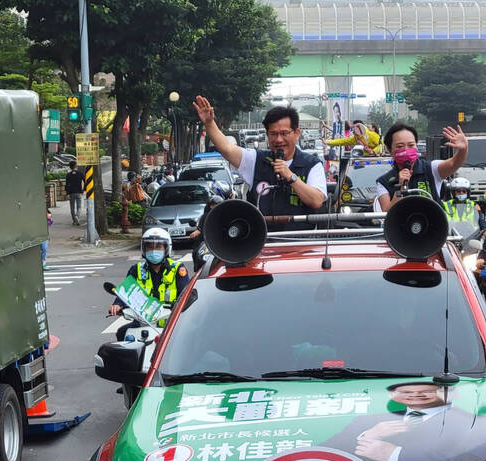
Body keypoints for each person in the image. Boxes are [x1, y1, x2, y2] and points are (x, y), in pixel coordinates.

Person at [323, 382, 486, 461]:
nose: (415, 392)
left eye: (427, 389)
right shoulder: (368, 422)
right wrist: (367, 435)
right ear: (392, 394)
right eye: (407, 389)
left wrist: (396, 455)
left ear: (452, 393)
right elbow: (323, 452)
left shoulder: (474, 422)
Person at [193, 97, 326, 231]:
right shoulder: (256, 160)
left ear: (297, 133)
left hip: (302, 243)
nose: (279, 139)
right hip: (262, 243)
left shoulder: (312, 164)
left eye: (284, 133)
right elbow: (227, 148)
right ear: (267, 135)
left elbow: (316, 201)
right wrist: (209, 123)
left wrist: (291, 176)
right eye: (273, 134)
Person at [108, 228, 190, 340]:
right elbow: (125, 292)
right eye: (150, 247)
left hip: (170, 324)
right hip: (144, 323)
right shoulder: (136, 270)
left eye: (158, 247)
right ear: (144, 249)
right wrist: (117, 304)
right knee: (122, 333)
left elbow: (186, 295)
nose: (154, 250)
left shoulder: (177, 269)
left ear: (166, 248)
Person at [376, 122, 468, 211]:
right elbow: (387, 213)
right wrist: (401, 188)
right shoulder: (383, 182)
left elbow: (454, 163)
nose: (406, 150)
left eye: (411, 145)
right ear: (389, 149)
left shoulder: (432, 169)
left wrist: (463, 150)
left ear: (416, 146)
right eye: (400, 146)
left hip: (434, 225)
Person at [65, 161, 85, 226]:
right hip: (78, 192)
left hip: (71, 193)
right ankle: (77, 216)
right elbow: (85, 181)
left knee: (72, 208)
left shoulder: (68, 175)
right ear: (76, 166)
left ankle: (74, 221)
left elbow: (67, 185)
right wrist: (84, 190)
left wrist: (67, 194)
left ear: (70, 167)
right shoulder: (80, 173)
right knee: (79, 207)